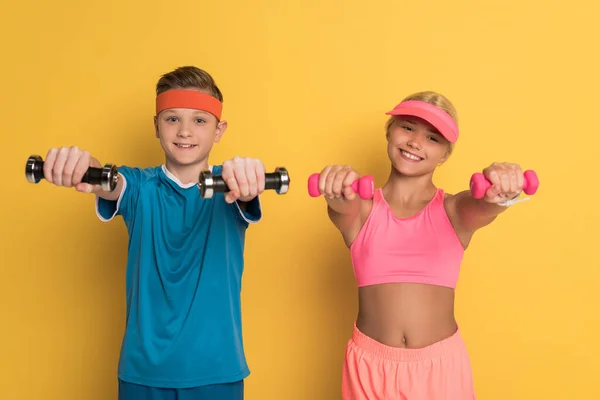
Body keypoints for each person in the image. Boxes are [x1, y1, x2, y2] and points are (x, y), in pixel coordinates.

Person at [40, 66, 267, 400]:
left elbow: (246, 192)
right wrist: (81, 165)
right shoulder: (139, 187)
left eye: (200, 120)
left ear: (219, 130)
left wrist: (248, 178)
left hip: (216, 372)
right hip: (142, 375)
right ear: (156, 126)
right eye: (172, 118)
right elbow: (109, 181)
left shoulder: (230, 186)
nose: (185, 131)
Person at [315, 91, 531, 399]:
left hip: (439, 371)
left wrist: (501, 187)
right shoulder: (361, 209)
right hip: (369, 369)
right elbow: (341, 206)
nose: (416, 142)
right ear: (389, 131)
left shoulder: (454, 211)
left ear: (445, 154)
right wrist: (335, 187)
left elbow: (485, 204)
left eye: (433, 138)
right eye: (407, 127)